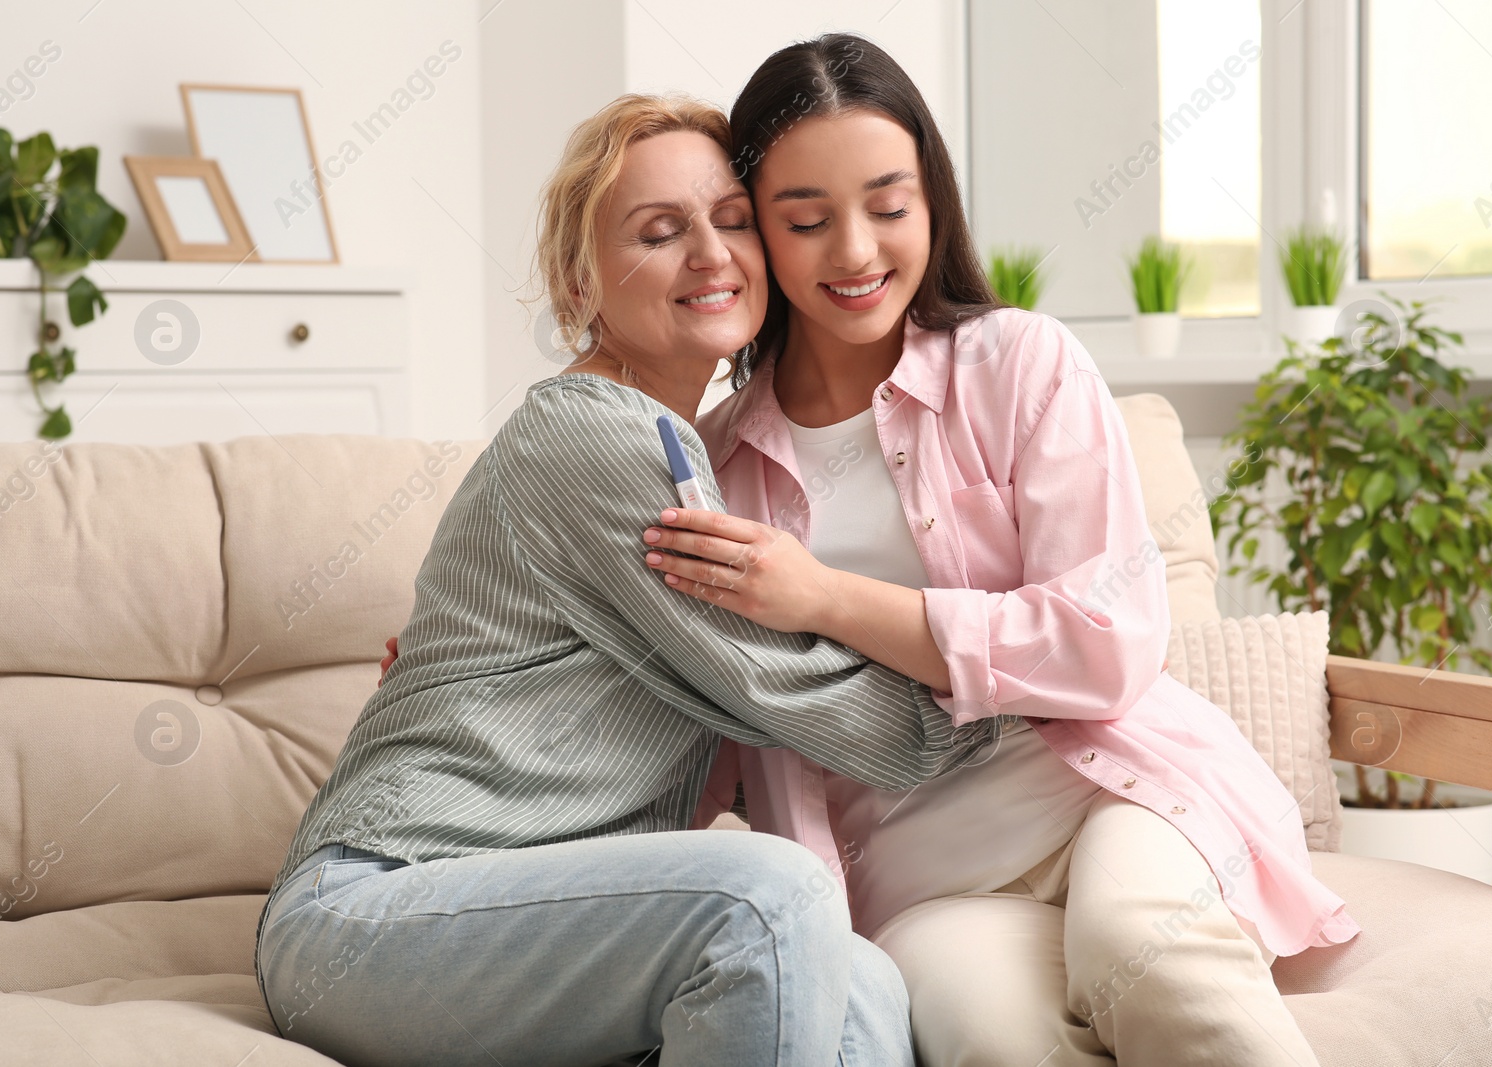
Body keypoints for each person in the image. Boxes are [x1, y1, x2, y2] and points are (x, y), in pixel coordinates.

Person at [634, 34, 1362, 1067]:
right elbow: (695, 732)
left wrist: (826, 597)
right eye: (806, 219)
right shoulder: (713, 465)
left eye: (888, 206)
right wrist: (502, 685)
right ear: (754, 232)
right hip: (919, 877)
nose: (854, 250)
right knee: (987, 1033)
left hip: (1113, 793)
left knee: (1136, 944)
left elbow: (1105, 642)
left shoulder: (1018, 363)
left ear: (931, 201)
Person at [257, 93, 1002, 1067]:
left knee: (865, 983)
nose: (710, 253)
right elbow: (834, 708)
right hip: (374, 907)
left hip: (545, 907)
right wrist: (1013, 673)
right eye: (660, 231)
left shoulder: (706, 456)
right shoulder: (597, 438)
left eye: (732, 221)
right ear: (578, 285)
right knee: (767, 898)